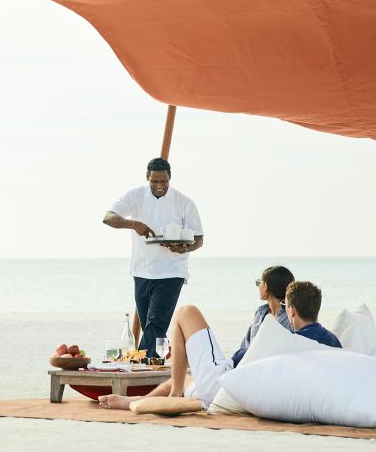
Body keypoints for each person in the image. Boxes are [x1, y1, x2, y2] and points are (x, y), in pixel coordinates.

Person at [98, 280, 341, 410]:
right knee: (179, 379)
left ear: (292, 310)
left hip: (225, 385)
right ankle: (135, 401)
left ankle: (173, 397)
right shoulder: (332, 343)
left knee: (186, 312)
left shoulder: (282, 337)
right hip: (232, 387)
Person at [103, 157, 203, 358]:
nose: (159, 185)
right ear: (147, 178)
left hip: (172, 271)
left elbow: (199, 239)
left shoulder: (184, 202)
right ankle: (157, 364)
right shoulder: (135, 196)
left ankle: (136, 362)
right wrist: (134, 224)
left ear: (170, 178)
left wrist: (184, 249)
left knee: (156, 321)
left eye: (163, 181)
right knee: (154, 328)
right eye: (154, 181)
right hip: (141, 271)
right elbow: (108, 218)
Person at [230, 265, 295, 368]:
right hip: (247, 368)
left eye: (258, 283)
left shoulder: (290, 318)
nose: (258, 286)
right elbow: (246, 346)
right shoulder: (260, 313)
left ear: (265, 286)